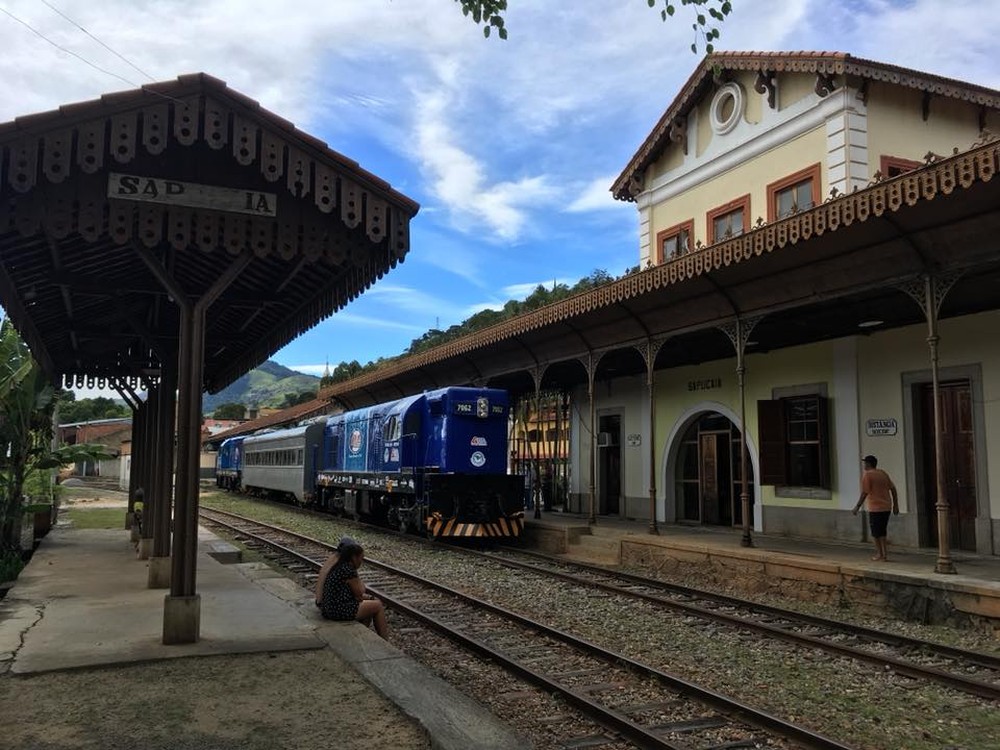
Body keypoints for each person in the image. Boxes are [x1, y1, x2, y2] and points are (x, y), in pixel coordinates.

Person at [314, 536, 389, 638]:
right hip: (337, 610)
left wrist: (370, 598)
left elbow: (354, 594)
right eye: (361, 559)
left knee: (370, 605)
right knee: (378, 606)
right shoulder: (348, 570)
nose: (361, 562)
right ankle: (384, 640)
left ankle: (361, 636)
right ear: (354, 557)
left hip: (328, 608)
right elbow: (360, 593)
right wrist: (359, 580)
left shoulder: (338, 565)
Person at [852, 455, 899, 562]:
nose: (864, 465)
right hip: (886, 507)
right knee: (882, 531)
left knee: (876, 533)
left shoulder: (868, 476)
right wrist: (896, 505)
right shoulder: (883, 473)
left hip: (875, 507)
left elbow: (864, 493)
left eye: (865, 463)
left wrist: (857, 506)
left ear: (869, 464)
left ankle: (880, 554)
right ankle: (884, 554)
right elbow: (893, 489)